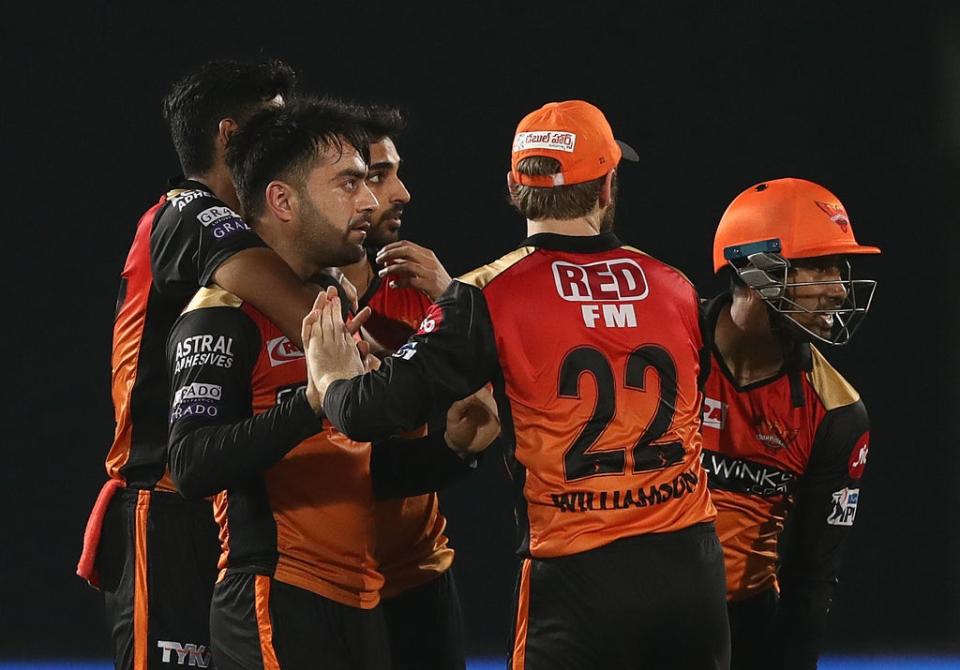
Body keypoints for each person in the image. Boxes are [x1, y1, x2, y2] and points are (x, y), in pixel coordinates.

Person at [305, 99, 731, 669]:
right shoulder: (674, 286)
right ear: (607, 187)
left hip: (579, 579)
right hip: (691, 571)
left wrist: (330, 370)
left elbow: (368, 412)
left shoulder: (487, 295)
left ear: (514, 187)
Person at [167, 97, 498, 669]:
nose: (370, 201)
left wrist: (454, 452)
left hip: (361, 602)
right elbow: (191, 463)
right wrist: (313, 402)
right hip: (277, 600)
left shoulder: (335, 302)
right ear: (282, 200)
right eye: (349, 183)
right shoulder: (222, 313)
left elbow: (360, 470)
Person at [75, 58, 339, 670]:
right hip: (163, 505)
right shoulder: (189, 212)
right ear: (227, 134)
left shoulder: (234, 225)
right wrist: (403, 362)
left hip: (229, 506)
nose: (285, 134)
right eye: (272, 120)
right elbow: (305, 314)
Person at [700, 177, 879, 669]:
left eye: (840, 269)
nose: (840, 289)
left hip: (745, 631)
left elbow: (810, 577)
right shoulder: (665, 353)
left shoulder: (837, 412)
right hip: (633, 613)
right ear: (759, 270)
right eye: (820, 266)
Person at [339, 106, 469, 670]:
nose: (401, 193)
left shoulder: (419, 290)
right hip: (324, 587)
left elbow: (480, 414)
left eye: (395, 172)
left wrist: (452, 299)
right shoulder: (274, 300)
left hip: (418, 574)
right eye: (376, 174)